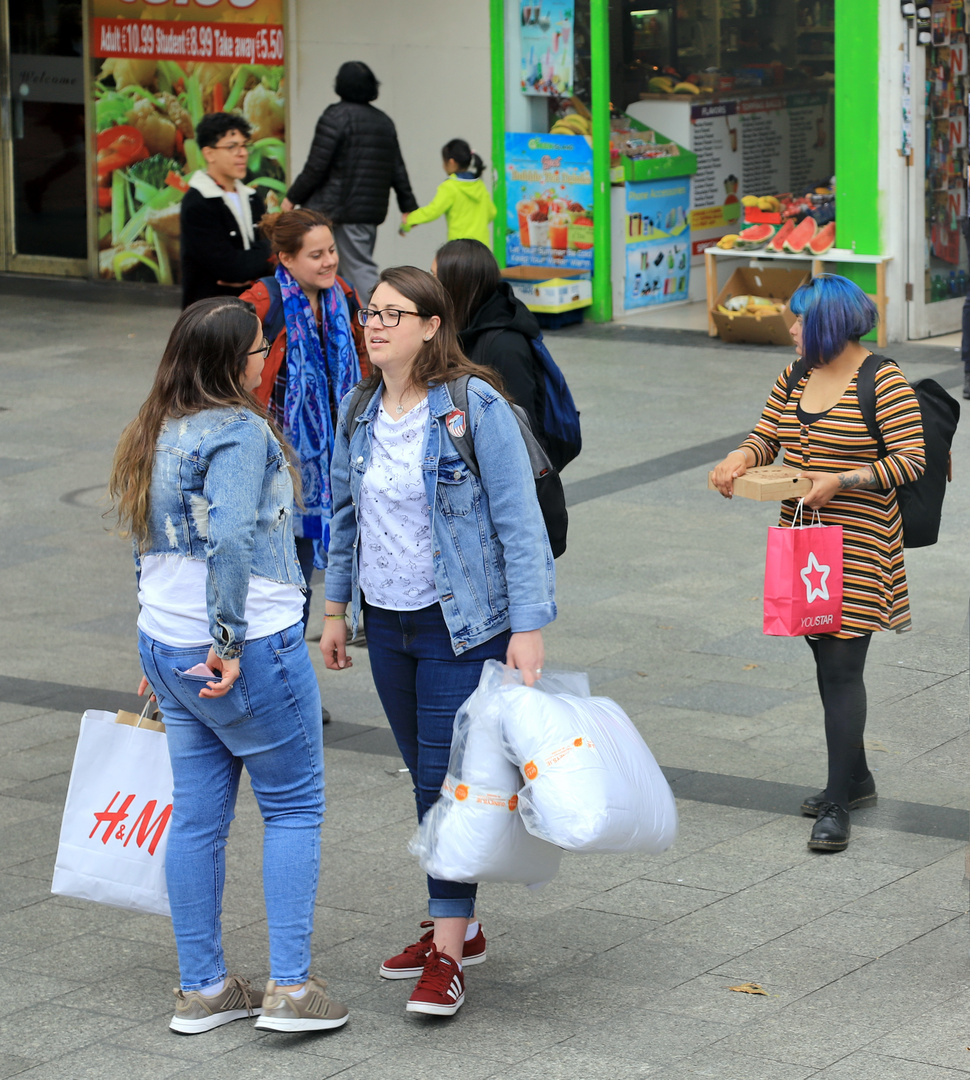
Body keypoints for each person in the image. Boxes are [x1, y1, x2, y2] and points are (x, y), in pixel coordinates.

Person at [109, 297, 348, 1035]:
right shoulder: (240, 432)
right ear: (230, 364)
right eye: (258, 353)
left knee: (199, 817)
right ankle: (291, 991)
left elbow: (147, 544)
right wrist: (229, 641)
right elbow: (234, 544)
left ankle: (203, 989)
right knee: (294, 807)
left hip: (168, 643)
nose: (264, 361)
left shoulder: (156, 424)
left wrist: (161, 643)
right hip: (246, 649)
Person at [321, 266, 555, 1016]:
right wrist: (334, 611)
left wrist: (529, 627)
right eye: (371, 312)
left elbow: (520, 522)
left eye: (394, 313)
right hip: (385, 623)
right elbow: (343, 514)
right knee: (427, 782)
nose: (376, 323)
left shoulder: (471, 405)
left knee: (445, 786)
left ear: (431, 325)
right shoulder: (358, 407)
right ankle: (462, 922)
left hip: (463, 626)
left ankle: (447, 955)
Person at [711, 274, 925, 853]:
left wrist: (844, 479)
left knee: (840, 665)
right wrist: (737, 458)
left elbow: (911, 461)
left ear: (828, 323)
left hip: (858, 544)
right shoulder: (796, 375)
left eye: (801, 321)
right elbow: (766, 438)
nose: (792, 329)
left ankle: (837, 801)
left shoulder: (883, 379)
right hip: (803, 541)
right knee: (821, 651)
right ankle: (856, 779)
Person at [240, 209, 368, 657]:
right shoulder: (261, 302)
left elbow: (365, 359)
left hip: (335, 455)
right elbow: (228, 367)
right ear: (286, 259)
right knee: (278, 576)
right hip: (276, 458)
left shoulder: (344, 296)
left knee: (303, 577)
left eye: (331, 250)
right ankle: (270, 668)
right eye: (316, 255)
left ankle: (287, 671)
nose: (329, 261)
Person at [282, 61, 417, 301]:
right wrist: (408, 207)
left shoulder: (334, 116)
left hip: (333, 211)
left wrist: (293, 197)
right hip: (367, 214)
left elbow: (316, 166)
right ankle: (350, 329)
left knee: (353, 270)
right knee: (340, 275)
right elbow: (398, 168)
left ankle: (380, 314)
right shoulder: (383, 121)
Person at [433, 238, 543, 435]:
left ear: (456, 286)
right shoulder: (457, 327)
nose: (430, 287)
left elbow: (523, 430)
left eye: (435, 278)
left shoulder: (506, 345)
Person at [179, 113, 273, 309]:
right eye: (232, 147)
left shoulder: (252, 197)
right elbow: (230, 268)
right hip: (212, 313)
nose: (242, 153)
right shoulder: (198, 203)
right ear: (209, 154)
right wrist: (264, 254)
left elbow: (271, 254)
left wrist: (258, 259)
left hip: (255, 306)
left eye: (244, 145)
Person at [400, 139, 496, 246]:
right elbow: (492, 212)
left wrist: (409, 220)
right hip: (482, 249)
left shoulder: (450, 186)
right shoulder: (480, 185)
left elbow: (433, 211)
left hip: (459, 249)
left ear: (451, 162)